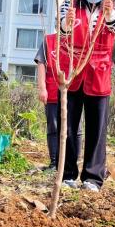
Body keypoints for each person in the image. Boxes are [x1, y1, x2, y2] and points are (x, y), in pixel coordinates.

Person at [57, 0, 115, 192]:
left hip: (99, 75)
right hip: (73, 73)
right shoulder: (70, 4)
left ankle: (93, 177)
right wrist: (66, 23)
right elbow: (62, 32)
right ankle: (67, 174)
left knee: (97, 129)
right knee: (68, 126)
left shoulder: (114, 7)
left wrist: (110, 13)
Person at [34, 33, 82, 169]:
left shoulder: (79, 39)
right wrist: (42, 88)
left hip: (74, 91)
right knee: (53, 127)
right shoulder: (49, 40)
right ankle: (54, 162)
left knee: (75, 128)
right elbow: (41, 64)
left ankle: (74, 162)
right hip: (52, 91)